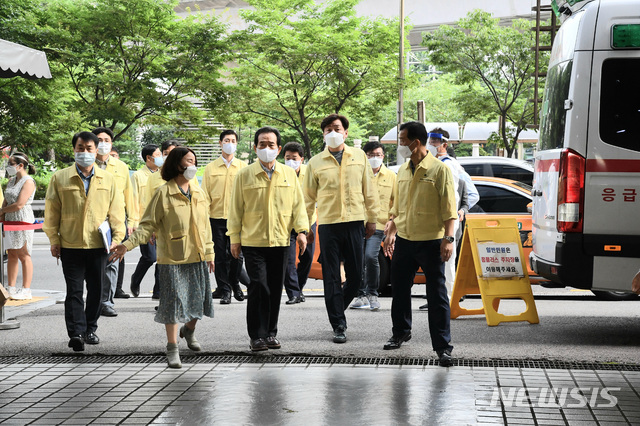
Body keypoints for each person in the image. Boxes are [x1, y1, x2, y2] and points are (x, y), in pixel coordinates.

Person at [110, 147, 214, 368]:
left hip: (197, 255)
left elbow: (206, 228)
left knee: (200, 301)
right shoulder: (163, 193)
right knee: (173, 305)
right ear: (178, 165)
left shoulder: (199, 193)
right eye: (189, 161)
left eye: (195, 161)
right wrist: (126, 246)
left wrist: (210, 253)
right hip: (172, 257)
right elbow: (147, 226)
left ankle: (189, 330)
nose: (194, 166)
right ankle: (172, 347)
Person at [382, 121, 457, 367]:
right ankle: (401, 331)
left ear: (415, 142)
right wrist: (391, 229)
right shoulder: (402, 170)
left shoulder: (439, 170)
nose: (400, 145)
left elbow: (449, 208)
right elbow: (398, 206)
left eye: (402, 140)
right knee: (400, 290)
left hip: (432, 241)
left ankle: (443, 347)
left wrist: (448, 239)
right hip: (405, 239)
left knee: (437, 295)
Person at [227, 126, 308, 351]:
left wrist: (301, 231)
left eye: (271, 144)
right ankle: (257, 336)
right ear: (255, 148)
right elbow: (235, 209)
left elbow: (298, 206)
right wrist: (235, 238)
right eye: (262, 144)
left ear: (279, 148)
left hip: (281, 240)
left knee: (274, 288)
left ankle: (271, 333)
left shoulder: (289, 174)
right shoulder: (244, 174)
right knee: (258, 286)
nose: (266, 148)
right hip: (253, 241)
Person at [44, 131, 125, 352]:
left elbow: (117, 212)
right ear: (74, 150)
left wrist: (118, 240)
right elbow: (52, 212)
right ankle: (77, 333)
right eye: (81, 148)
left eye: (89, 148)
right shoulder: (60, 178)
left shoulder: (108, 179)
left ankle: (90, 327)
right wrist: (54, 239)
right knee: (74, 291)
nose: (85, 152)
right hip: (70, 244)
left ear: (96, 150)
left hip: (99, 245)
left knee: (97, 290)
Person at [303, 114, 379, 344]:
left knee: (356, 277)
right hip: (328, 225)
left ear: (345, 132)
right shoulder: (315, 162)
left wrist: (372, 219)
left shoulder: (359, 157)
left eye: (336, 128)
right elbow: (307, 198)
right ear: (323, 134)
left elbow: (369, 190)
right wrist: (305, 227)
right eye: (327, 129)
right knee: (331, 278)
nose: (332, 132)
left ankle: (337, 309)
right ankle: (338, 323)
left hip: (355, 222)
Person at [92, 127, 136, 315]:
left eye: (106, 140)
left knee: (112, 260)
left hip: (115, 221)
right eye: (99, 140)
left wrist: (132, 220)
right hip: (93, 221)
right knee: (93, 263)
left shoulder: (121, 167)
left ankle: (106, 302)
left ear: (111, 144)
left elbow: (129, 195)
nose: (103, 143)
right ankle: (94, 299)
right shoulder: (86, 166)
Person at [201, 130, 248, 305]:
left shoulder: (244, 167)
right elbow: (204, 195)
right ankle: (226, 290)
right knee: (220, 255)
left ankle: (235, 283)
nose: (230, 143)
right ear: (220, 143)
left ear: (236, 143)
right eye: (226, 140)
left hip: (238, 218)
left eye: (233, 140)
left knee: (237, 255)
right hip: (216, 218)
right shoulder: (210, 168)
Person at [349, 141, 395, 311]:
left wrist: (392, 220)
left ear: (383, 156)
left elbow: (397, 201)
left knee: (370, 256)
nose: (374, 158)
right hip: (358, 223)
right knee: (358, 259)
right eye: (370, 155)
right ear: (365, 156)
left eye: (378, 155)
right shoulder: (358, 175)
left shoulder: (391, 176)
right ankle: (360, 295)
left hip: (380, 224)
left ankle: (372, 293)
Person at [282, 142, 316, 305]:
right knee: (288, 259)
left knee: (307, 257)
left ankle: (299, 288)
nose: (290, 161)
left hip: (308, 221)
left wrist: (307, 227)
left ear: (301, 159)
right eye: (287, 158)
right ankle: (293, 293)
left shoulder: (309, 173)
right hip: (287, 222)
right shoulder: (281, 174)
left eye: (294, 158)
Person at [0, 153, 36, 300]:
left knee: (23, 254)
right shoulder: (11, 180)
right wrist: (2, 216)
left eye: (11, 163)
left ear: (20, 166)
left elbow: (19, 204)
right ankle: (11, 287)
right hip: (9, 220)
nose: (9, 166)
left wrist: (2, 211)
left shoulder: (28, 182)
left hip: (23, 220)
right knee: (12, 254)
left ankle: (26, 290)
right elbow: (6, 200)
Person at [129, 144, 162, 298]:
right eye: (158, 154)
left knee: (162, 258)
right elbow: (134, 200)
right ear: (149, 158)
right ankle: (136, 279)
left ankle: (158, 291)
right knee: (150, 257)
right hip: (145, 223)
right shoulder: (138, 176)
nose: (161, 157)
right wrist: (134, 223)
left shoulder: (164, 175)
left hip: (161, 223)